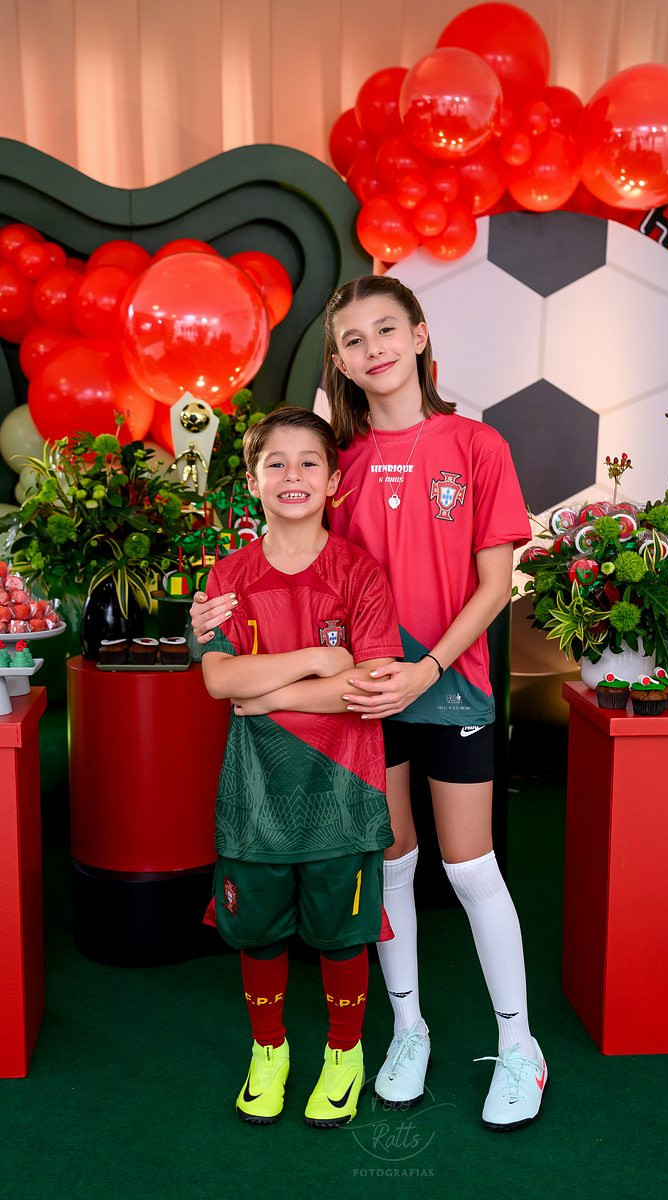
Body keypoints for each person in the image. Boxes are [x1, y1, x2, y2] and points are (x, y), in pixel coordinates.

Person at [192, 275, 546, 1131]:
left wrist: (429, 668)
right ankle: (408, 1032)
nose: (372, 349)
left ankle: (520, 1047)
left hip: (449, 686)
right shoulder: (333, 461)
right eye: (352, 340)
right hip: (360, 700)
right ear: (339, 363)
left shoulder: (477, 444)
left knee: (470, 868)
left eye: (387, 330)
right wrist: (217, 623)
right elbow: (298, 567)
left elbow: (495, 585)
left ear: (419, 336)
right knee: (387, 865)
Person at [200, 405, 403, 1129]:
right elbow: (220, 680)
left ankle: (344, 1054)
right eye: (275, 463)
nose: (293, 475)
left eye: (309, 462)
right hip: (254, 793)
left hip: (343, 787)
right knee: (258, 930)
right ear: (253, 481)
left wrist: (269, 692)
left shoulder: (359, 572)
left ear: (334, 481)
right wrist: (320, 658)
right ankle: (270, 1051)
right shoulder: (230, 574)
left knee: (343, 934)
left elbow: (369, 684)